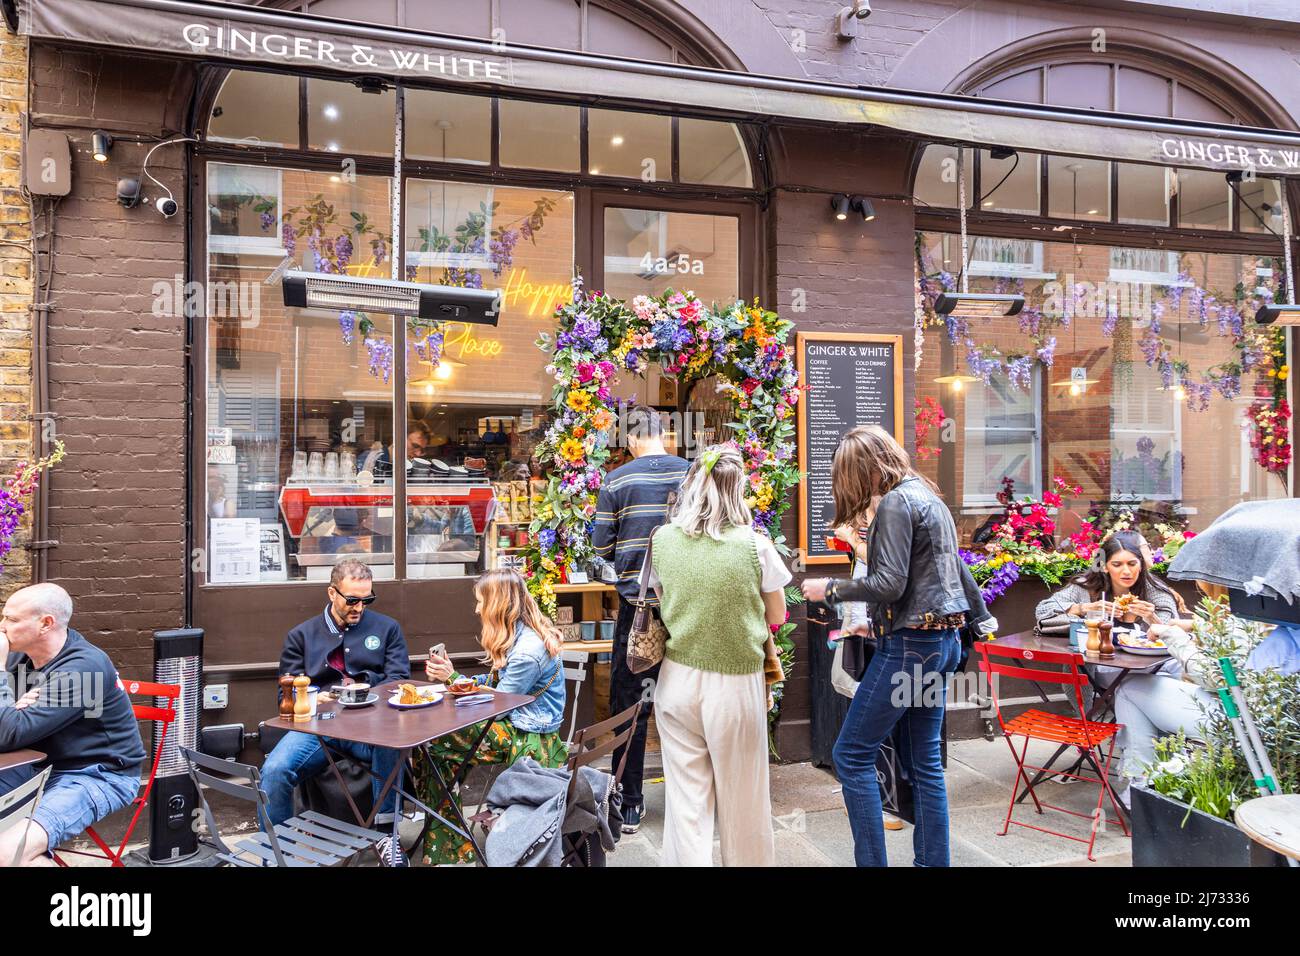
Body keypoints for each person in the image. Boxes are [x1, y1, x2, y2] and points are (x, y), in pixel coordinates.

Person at [801, 425, 969, 867]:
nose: (848, 488)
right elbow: (952, 574)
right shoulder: (929, 496)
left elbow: (890, 583)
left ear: (866, 470)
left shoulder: (895, 502)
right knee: (924, 762)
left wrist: (830, 590)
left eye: (849, 476)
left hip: (912, 648)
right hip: (941, 644)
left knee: (851, 755)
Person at [646, 444, 790, 866]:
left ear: (692, 486)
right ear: (737, 491)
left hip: (677, 679)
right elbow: (777, 613)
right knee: (743, 796)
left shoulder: (663, 540)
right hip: (734, 682)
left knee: (686, 801)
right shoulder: (755, 546)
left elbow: (661, 598)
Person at [260, 558, 411, 865]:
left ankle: (385, 834)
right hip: (320, 728)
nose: (359, 607)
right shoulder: (301, 636)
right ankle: (277, 852)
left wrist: (366, 690)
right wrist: (319, 697)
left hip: (371, 725)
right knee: (274, 771)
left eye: (367, 600)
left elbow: (399, 682)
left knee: (392, 739)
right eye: (352, 600)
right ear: (332, 593)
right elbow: (285, 696)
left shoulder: (387, 629)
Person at [421, 569, 567, 865]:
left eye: (480, 602)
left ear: (497, 604)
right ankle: (448, 842)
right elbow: (499, 689)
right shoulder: (521, 633)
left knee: (431, 745)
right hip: (521, 728)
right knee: (433, 748)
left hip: (530, 740)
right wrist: (455, 677)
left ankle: (448, 846)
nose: (476, 609)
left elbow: (497, 706)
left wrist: (452, 678)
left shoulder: (527, 652)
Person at [1112, 582, 1300, 806]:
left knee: (1129, 689)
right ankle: (1160, 775)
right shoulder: (1283, 614)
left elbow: (1218, 679)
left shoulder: (1256, 614)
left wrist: (1174, 637)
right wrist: (1198, 626)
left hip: (1244, 724)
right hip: (1273, 720)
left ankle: (1141, 787)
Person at [590, 404, 688, 833]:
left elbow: (601, 547)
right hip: (689, 607)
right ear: (663, 432)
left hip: (639, 609)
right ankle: (692, 798)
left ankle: (630, 802)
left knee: (630, 704)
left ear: (629, 440)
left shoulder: (616, 479)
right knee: (689, 702)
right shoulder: (691, 474)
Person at [0, 584, 145, 867]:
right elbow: (9, 728)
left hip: (96, 773)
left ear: (46, 624)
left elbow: (8, 733)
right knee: (20, 854)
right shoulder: (21, 658)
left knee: (9, 853)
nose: (2, 627)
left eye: (12, 619)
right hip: (36, 766)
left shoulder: (84, 667)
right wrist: (11, 713)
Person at [1034, 530, 1179, 634]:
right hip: (1091, 667)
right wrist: (1084, 609)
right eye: (1117, 565)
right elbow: (1043, 610)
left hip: (1146, 669)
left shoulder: (1155, 590)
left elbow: (1172, 635)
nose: (1126, 571)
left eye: (1132, 564)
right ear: (1104, 566)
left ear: (1141, 565)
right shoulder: (1086, 586)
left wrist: (1150, 617)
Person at [366, 422, 432, 477]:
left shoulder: (410, 465)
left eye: (422, 450)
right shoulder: (377, 458)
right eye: (415, 445)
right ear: (399, 438)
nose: (418, 453)